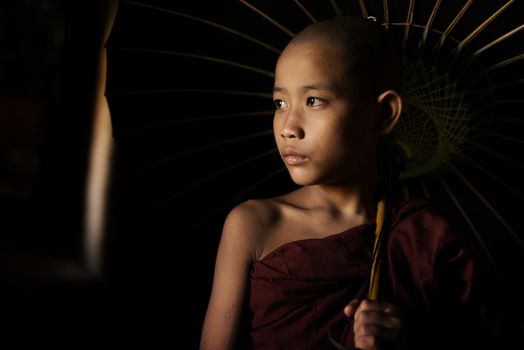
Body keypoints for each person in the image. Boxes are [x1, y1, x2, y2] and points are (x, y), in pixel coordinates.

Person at [199, 15, 514, 350]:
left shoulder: (426, 238)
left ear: (383, 114)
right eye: (280, 103)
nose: (288, 126)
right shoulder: (254, 223)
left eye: (313, 100)